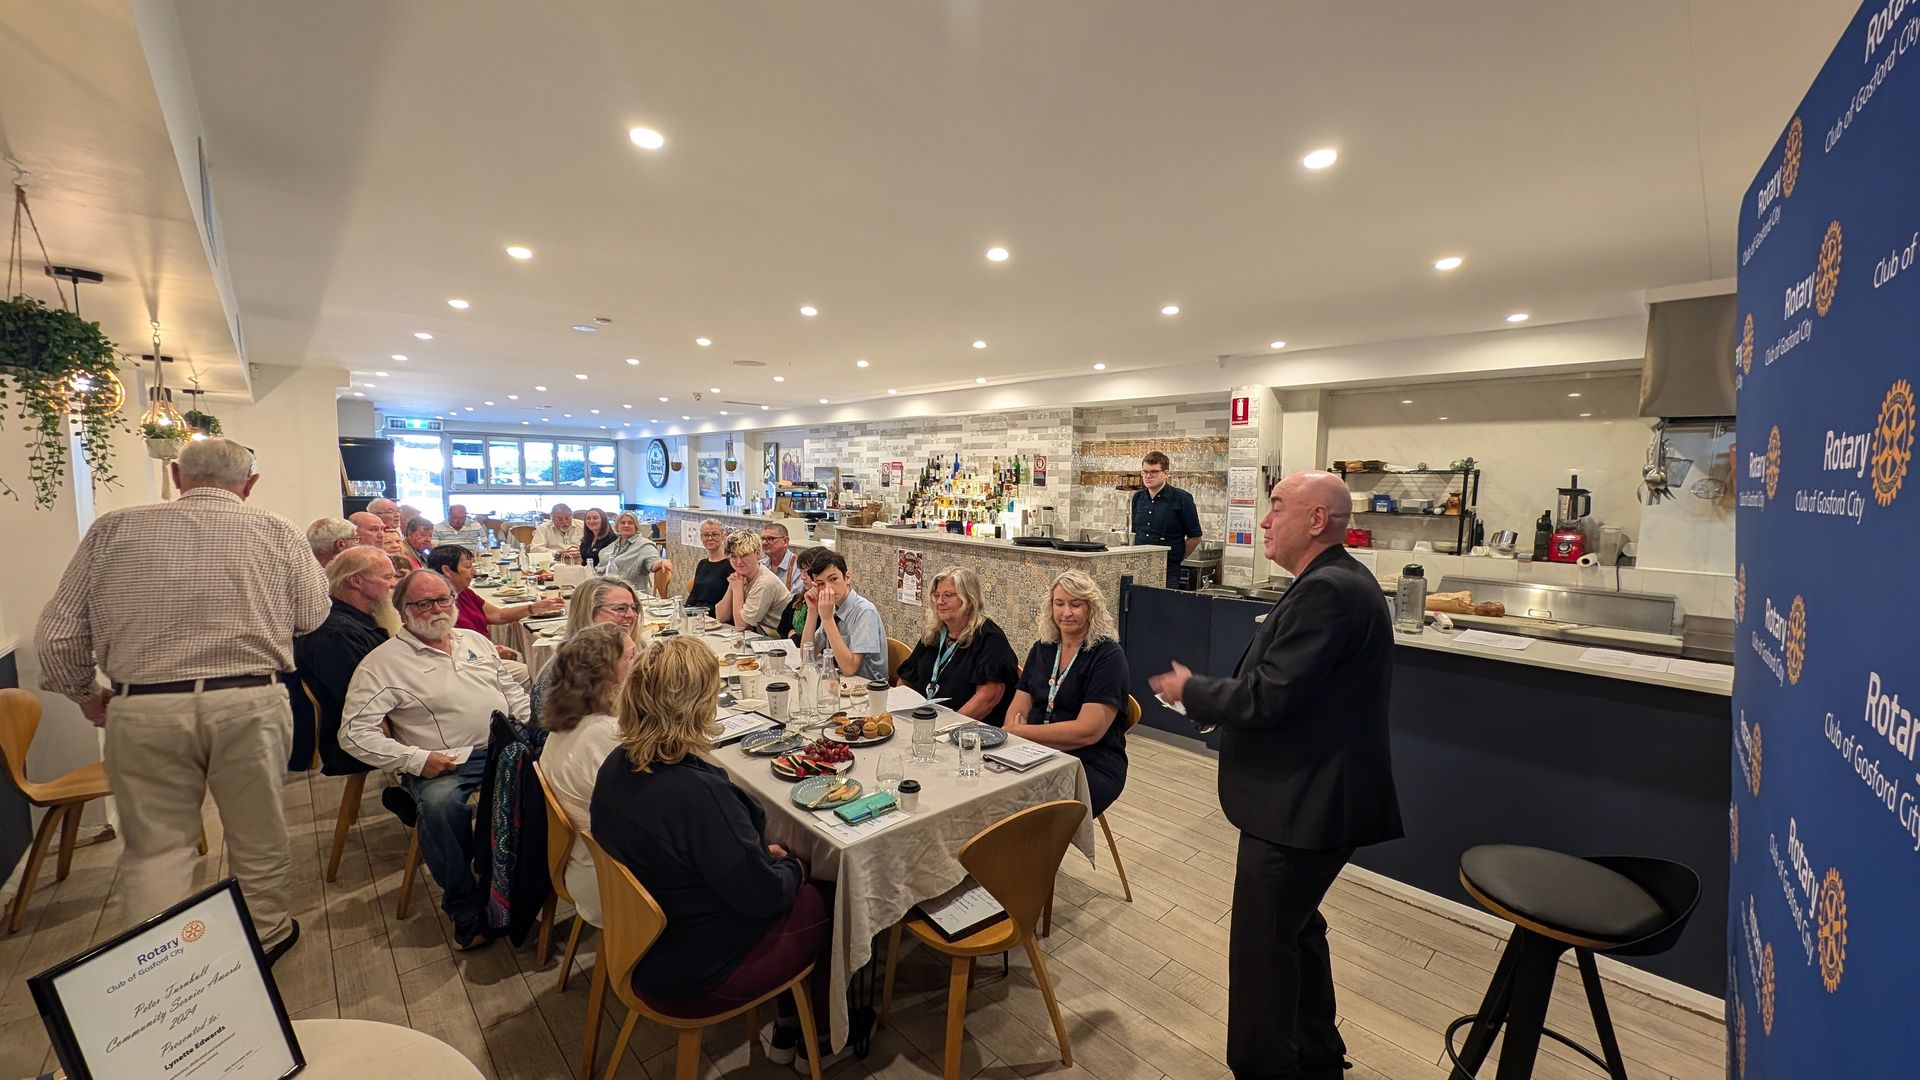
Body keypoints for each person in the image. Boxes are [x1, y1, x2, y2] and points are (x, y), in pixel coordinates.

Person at [1149, 471, 1401, 1080]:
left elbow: (1269, 697)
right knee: (1296, 929)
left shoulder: (1328, 591)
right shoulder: (1333, 582)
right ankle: (1316, 1057)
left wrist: (1195, 692)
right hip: (1310, 800)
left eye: (1277, 508)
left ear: (1317, 521)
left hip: (1301, 809)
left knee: (1263, 949)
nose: (1263, 520)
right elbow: (1295, 693)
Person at [35, 437, 324, 964]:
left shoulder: (113, 528)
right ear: (250, 484)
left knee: (156, 849)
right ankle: (266, 936)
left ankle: (160, 963)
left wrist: (85, 695)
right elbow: (311, 615)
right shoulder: (274, 529)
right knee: (258, 832)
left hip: (143, 705)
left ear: (175, 474)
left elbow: (56, 638)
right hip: (248, 698)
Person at [591, 636, 845, 1068]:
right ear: (697, 706)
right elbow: (764, 896)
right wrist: (794, 867)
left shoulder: (617, 763)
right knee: (831, 890)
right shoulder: (697, 794)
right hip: (694, 966)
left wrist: (759, 857)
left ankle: (790, 1024)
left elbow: (698, 853)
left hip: (640, 940)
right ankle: (819, 1035)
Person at [340, 569, 532, 949]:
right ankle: (465, 905)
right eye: (423, 603)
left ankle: (524, 886)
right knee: (441, 806)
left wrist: (529, 728)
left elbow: (512, 691)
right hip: (448, 761)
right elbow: (352, 734)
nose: (436, 609)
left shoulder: (473, 640)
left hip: (503, 747)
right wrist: (415, 759)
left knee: (558, 782)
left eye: (443, 599)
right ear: (403, 609)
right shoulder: (382, 664)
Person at [1003, 570, 1130, 816]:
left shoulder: (1108, 656)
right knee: (987, 789)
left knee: (1024, 810)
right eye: (1059, 603)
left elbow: (1087, 732)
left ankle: (1034, 852)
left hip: (1090, 762)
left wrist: (1021, 732)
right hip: (1033, 751)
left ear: (1091, 609)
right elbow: (1017, 710)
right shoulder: (1043, 649)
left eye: (1076, 605)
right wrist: (1018, 734)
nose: (1066, 613)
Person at [537, 624, 635, 928]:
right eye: (631, 657)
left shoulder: (567, 723)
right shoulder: (605, 737)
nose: (641, 662)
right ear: (607, 674)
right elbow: (657, 820)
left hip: (583, 865)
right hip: (616, 885)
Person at [294, 547, 397, 775]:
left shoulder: (356, 619)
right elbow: (366, 699)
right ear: (356, 581)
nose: (394, 584)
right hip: (359, 741)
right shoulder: (336, 635)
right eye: (387, 577)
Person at [895, 566, 1019, 725]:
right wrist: (899, 714)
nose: (940, 602)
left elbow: (988, 698)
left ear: (969, 600)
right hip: (922, 721)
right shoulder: (934, 632)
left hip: (965, 730)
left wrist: (947, 727)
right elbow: (905, 680)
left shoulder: (990, 638)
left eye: (948, 595)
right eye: (937, 595)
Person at [529, 575, 641, 718]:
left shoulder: (615, 660)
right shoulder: (575, 673)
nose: (631, 615)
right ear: (589, 612)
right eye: (620, 608)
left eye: (634, 608)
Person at [428, 545, 563, 637]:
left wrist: (533, 608)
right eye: (468, 566)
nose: (474, 571)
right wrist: (489, 651)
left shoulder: (464, 593)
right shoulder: (438, 605)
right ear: (447, 570)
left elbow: (498, 615)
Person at [799, 548, 886, 681]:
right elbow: (807, 656)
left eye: (833, 579)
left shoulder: (865, 612)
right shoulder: (832, 608)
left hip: (867, 687)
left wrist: (827, 619)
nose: (828, 588)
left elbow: (849, 669)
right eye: (821, 584)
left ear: (847, 578)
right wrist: (812, 611)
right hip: (839, 682)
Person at [1131, 450, 1205, 587]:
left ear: (1165, 474)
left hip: (1168, 570)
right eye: (1145, 472)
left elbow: (1195, 537)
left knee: (1164, 607)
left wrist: (1175, 558)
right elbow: (1136, 532)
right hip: (1140, 567)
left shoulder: (1182, 498)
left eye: (1153, 472)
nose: (1148, 476)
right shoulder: (1137, 497)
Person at [715, 529, 790, 637]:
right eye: (734, 556)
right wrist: (733, 586)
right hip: (757, 637)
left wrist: (737, 590)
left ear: (757, 553)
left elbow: (741, 626)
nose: (739, 562)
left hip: (777, 641)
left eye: (744, 555)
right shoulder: (740, 577)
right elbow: (720, 617)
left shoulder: (764, 582)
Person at [597, 511, 670, 588]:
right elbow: (601, 561)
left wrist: (661, 562)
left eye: (630, 523)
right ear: (617, 527)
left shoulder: (644, 545)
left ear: (636, 526)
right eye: (622, 523)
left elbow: (653, 561)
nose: (626, 525)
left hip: (631, 593)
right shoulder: (613, 545)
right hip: (606, 589)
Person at [685, 518, 732, 608]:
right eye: (706, 535)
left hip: (716, 616)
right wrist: (687, 610)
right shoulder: (702, 564)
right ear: (701, 538)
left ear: (723, 536)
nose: (710, 538)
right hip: (697, 614)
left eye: (715, 534)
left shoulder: (730, 565)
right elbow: (694, 594)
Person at [760, 521, 803, 592]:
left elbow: (796, 599)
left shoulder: (798, 567)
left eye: (770, 539)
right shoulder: (761, 565)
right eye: (763, 539)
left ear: (785, 541)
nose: (764, 543)